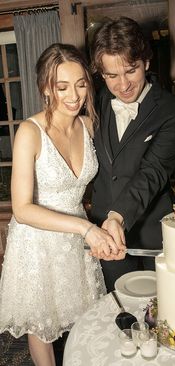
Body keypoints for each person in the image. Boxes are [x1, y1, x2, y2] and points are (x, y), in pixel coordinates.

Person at [0, 43, 125, 366]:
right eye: (62, 87)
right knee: (43, 326)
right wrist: (86, 228)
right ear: (46, 87)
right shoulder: (30, 132)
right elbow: (23, 209)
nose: (74, 96)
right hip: (38, 241)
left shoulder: (88, 126)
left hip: (77, 241)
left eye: (81, 84)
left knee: (85, 319)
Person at [90, 17, 175, 292]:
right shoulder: (93, 100)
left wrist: (118, 217)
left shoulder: (174, 112)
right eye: (111, 75)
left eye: (130, 71)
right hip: (105, 236)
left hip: (152, 238)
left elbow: (153, 171)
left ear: (146, 62)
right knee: (116, 317)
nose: (122, 85)